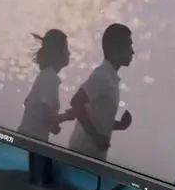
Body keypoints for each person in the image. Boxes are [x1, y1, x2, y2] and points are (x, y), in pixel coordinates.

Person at [68, 23, 134, 159]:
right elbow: (76, 102)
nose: (132, 51)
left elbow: (99, 122)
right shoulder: (102, 75)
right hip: (81, 155)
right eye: (128, 45)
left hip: (90, 157)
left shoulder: (110, 78)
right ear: (114, 49)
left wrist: (120, 125)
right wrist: (96, 137)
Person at [18, 29, 74, 142]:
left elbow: (39, 114)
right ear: (58, 52)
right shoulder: (50, 79)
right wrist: (68, 116)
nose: (69, 53)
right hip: (30, 141)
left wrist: (53, 126)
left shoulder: (45, 76)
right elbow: (48, 118)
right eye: (66, 49)